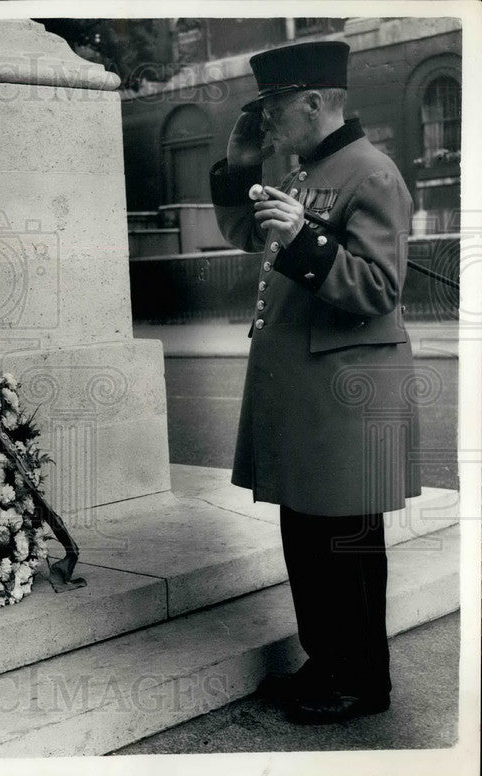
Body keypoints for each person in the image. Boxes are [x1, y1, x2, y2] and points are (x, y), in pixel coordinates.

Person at [209, 40, 422, 724]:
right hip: (309, 393)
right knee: (306, 538)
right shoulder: (306, 174)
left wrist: (306, 238)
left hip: (346, 396)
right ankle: (327, 662)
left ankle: (361, 680)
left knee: (346, 544)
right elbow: (246, 233)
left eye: (273, 106)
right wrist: (242, 162)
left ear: (310, 102)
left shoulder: (373, 173)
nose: (267, 119)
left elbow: (380, 288)